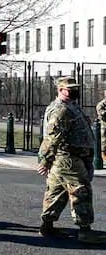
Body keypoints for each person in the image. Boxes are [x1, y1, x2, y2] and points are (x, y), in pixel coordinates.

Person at [38, 77, 105, 244]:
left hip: (68, 158)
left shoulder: (70, 107)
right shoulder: (61, 110)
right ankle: (85, 231)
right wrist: (44, 159)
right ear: (60, 90)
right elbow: (53, 138)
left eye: (75, 88)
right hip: (68, 158)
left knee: (56, 192)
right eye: (69, 89)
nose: (74, 91)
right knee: (81, 192)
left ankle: (46, 226)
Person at [95, 90, 106, 161]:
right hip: (104, 126)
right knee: (104, 143)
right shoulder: (101, 104)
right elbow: (102, 115)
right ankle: (104, 157)